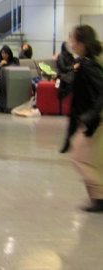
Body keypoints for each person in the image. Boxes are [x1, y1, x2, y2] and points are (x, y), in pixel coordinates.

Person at [64, 25, 103, 212]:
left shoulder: (89, 65)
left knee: (81, 158)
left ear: (81, 43)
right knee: (88, 159)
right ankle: (98, 198)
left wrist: (91, 114)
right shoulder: (85, 62)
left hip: (95, 119)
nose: (70, 43)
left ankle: (100, 197)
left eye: (73, 40)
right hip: (91, 118)